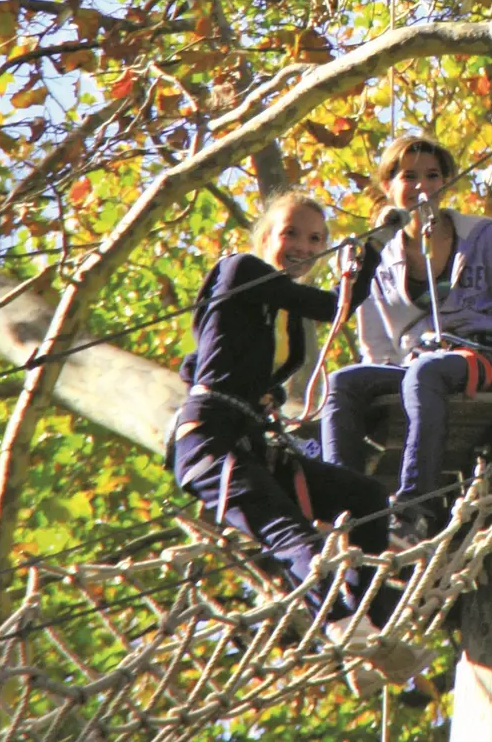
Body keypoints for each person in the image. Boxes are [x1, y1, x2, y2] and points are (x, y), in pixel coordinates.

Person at [169, 191, 406, 642]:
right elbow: (333, 305)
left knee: (366, 497)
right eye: (291, 233)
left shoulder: (285, 316)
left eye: (316, 239)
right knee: (289, 531)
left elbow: (198, 359)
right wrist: (375, 246)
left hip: (253, 444)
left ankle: (369, 616)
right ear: (264, 238)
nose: (304, 247)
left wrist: (266, 394)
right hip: (211, 441)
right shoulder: (240, 269)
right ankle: (339, 622)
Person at [320, 135, 492, 544]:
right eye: (408, 177)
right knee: (343, 382)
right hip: (417, 365)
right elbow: (377, 345)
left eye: (432, 176)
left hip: (484, 358)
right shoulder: (377, 254)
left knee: (426, 371)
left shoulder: (482, 237)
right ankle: (344, 508)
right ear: (389, 187)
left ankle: (415, 508)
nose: (421, 187)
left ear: (446, 183)